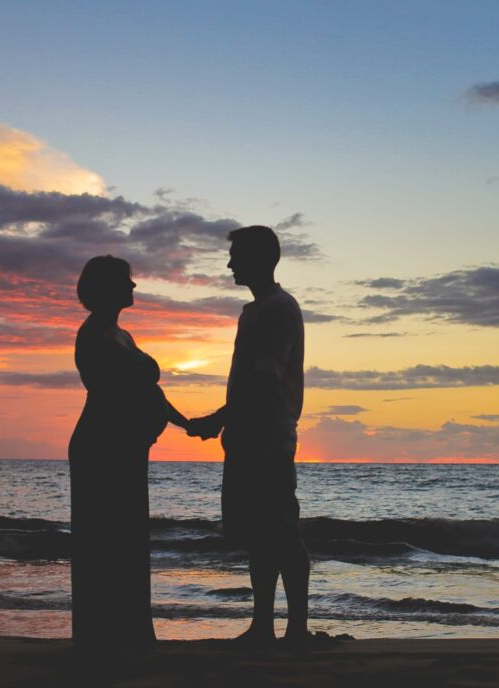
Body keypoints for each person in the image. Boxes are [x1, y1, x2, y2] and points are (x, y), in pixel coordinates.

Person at [187, 225, 310, 648]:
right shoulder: (256, 310)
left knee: (282, 532)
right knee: (262, 534)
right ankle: (263, 626)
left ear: (260, 259)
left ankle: (294, 629)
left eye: (236, 255)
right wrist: (226, 422)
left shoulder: (277, 309)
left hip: (268, 438)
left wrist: (218, 417)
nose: (229, 263)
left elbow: (264, 378)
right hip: (248, 437)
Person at [68, 255, 191, 652]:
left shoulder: (122, 335)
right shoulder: (93, 336)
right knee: (103, 542)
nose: (133, 287)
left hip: (127, 449)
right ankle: (101, 638)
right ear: (106, 288)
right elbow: (118, 392)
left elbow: (148, 393)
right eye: (126, 281)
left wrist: (186, 423)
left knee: (128, 541)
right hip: (103, 448)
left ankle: (128, 633)